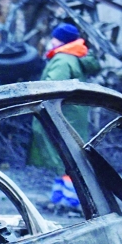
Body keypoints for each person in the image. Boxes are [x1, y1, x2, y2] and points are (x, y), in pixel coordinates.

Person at [28, 22, 101, 172]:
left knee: (60, 153)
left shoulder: (62, 59)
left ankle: (65, 185)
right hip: (73, 113)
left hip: (61, 113)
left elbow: (52, 88)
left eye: (55, 38)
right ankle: (66, 184)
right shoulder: (75, 57)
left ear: (62, 40)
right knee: (72, 152)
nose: (52, 41)